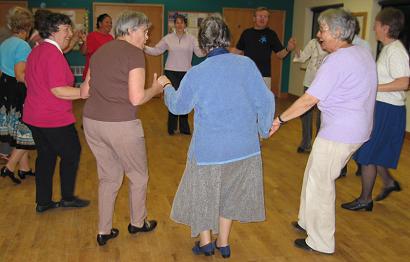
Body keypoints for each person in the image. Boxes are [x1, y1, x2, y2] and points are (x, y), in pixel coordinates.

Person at [162, 16, 275, 258]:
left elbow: (178, 107)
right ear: (226, 38)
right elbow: (266, 100)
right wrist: (264, 130)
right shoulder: (247, 65)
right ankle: (223, 242)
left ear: (202, 43)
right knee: (231, 195)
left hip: (209, 152)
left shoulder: (197, 73)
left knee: (203, 195)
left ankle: (206, 243)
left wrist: (165, 86)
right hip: (245, 148)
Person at [270, 9, 377, 254]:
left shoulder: (337, 60)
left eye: (323, 30)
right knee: (313, 174)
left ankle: (320, 241)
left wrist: (280, 119)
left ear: (338, 33)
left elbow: (309, 100)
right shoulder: (361, 51)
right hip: (355, 129)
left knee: (321, 184)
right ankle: (307, 220)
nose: (319, 35)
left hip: (340, 133)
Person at [81, 11, 161, 246]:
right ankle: (138, 223)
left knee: (109, 177)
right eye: (145, 31)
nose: (147, 37)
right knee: (138, 175)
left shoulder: (98, 52)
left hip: (92, 123)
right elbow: (136, 98)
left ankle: (103, 231)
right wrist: (156, 88)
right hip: (121, 125)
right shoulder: (134, 54)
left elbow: (85, 92)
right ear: (131, 30)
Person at [342, 8, 409, 211]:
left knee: (367, 154)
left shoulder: (396, 51)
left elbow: (404, 82)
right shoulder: (388, 48)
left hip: (388, 110)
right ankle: (388, 182)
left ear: (385, 28)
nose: (373, 28)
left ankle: (365, 200)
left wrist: (373, 86)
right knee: (374, 151)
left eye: (377, 24)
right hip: (382, 107)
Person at [23, 13, 90, 213]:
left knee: (46, 156)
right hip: (52, 118)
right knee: (71, 153)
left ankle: (43, 201)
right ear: (53, 32)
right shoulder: (51, 54)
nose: (70, 33)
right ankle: (67, 198)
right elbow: (58, 90)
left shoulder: (38, 50)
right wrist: (84, 92)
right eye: (66, 30)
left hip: (35, 116)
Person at [144, 14, 205, 135]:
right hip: (170, 72)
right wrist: (143, 46)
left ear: (185, 24)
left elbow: (199, 54)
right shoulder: (168, 38)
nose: (179, 25)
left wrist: (209, 49)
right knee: (172, 98)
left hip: (186, 72)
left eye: (182, 22)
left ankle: (184, 128)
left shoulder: (192, 39)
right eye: (177, 22)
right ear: (174, 24)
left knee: (184, 99)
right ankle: (171, 128)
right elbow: (156, 50)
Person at [0, 6, 35, 184]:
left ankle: (25, 168)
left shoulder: (5, 43)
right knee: (26, 130)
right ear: (28, 26)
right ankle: (10, 167)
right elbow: (20, 74)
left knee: (17, 129)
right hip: (17, 89)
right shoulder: (22, 45)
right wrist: (37, 89)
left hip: (5, 87)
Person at [231, 6, 296, 88]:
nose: (262, 19)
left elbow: (280, 54)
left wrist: (288, 49)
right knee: (247, 100)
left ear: (268, 19)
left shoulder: (271, 34)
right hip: (247, 74)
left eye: (265, 17)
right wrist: (223, 49)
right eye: (260, 16)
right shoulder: (246, 33)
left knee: (263, 100)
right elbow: (237, 51)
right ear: (254, 18)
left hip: (264, 76)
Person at [339, 16, 372, 178]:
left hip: (355, 96)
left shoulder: (363, 45)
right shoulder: (340, 45)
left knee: (354, 136)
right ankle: (342, 168)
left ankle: (359, 164)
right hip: (343, 95)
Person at [292, 38, 328, 153]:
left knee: (321, 117)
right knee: (305, 114)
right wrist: (295, 47)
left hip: (325, 85)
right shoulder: (313, 43)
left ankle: (319, 146)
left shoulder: (333, 43)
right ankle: (306, 143)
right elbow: (302, 57)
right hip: (309, 83)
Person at [80, 13, 113, 80]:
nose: (110, 25)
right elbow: (83, 52)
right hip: (92, 73)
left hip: (106, 74)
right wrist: (85, 41)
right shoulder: (92, 36)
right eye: (107, 22)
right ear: (100, 24)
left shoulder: (111, 38)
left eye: (111, 23)